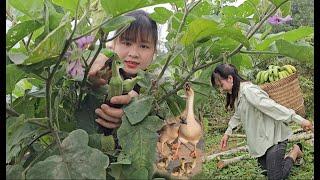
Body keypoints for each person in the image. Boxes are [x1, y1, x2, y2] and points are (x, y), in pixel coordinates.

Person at [210, 63, 313, 179]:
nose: (221, 89)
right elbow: (238, 114)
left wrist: (300, 120)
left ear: (230, 78)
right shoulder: (238, 94)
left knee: (275, 177)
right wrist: (227, 133)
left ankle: (295, 151)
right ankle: (286, 158)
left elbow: (272, 107)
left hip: (274, 137)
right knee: (265, 171)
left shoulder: (249, 91)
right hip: (261, 141)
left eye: (221, 85)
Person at [88, 10, 158, 132]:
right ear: (113, 44)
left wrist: (137, 110)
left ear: (154, 52)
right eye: (127, 43)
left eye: (144, 46)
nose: (133, 54)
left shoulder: (155, 84)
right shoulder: (106, 69)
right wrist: (92, 73)